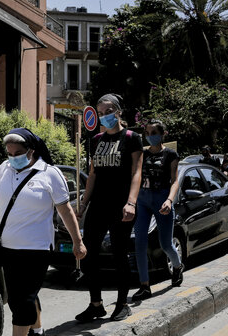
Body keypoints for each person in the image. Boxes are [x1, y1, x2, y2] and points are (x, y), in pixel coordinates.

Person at [0, 128, 86, 336]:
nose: (13, 156)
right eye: (9, 152)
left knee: (21, 298)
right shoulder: (4, 168)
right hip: (7, 246)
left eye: (18, 152)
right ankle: (37, 332)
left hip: (36, 249)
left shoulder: (49, 174)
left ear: (31, 151)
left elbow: (65, 211)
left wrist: (77, 241)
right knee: (22, 295)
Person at [74, 93, 143, 322]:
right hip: (99, 205)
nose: (104, 117)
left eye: (108, 112)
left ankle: (123, 303)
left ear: (119, 112)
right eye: (101, 113)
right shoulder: (96, 140)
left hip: (122, 205)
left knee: (119, 254)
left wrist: (131, 202)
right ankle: (96, 304)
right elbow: (93, 174)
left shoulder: (132, 138)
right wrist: (83, 204)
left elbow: (136, 172)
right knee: (88, 253)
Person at [132, 120, 184, 301]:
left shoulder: (171, 154)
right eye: (147, 132)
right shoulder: (142, 154)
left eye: (154, 132)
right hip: (143, 200)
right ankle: (144, 285)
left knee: (166, 244)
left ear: (163, 134)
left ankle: (177, 267)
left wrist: (170, 200)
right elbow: (135, 176)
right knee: (140, 242)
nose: (150, 135)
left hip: (162, 201)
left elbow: (175, 181)